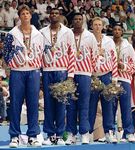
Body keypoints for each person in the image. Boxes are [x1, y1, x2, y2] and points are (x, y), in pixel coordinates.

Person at [3, 4, 43, 148]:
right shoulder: (12, 34)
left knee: (33, 104)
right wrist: (12, 66)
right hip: (17, 72)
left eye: (27, 13)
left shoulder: (38, 34)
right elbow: (5, 53)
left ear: (31, 16)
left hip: (33, 71)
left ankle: (33, 135)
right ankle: (14, 136)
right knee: (15, 104)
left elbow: (42, 53)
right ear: (19, 17)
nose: (25, 16)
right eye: (23, 14)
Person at [40, 7, 76, 145]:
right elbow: (39, 53)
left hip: (62, 70)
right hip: (47, 70)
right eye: (52, 13)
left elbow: (72, 53)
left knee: (61, 103)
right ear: (49, 16)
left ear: (60, 15)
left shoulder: (68, 32)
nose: (54, 15)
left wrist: (71, 74)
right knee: (48, 104)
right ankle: (50, 135)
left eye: (57, 13)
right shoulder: (42, 32)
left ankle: (60, 134)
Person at [65, 13, 97, 145]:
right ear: (72, 21)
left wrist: (89, 70)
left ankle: (84, 133)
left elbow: (94, 55)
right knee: (70, 105)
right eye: (75, 19)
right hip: (70, 74)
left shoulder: (90, 36)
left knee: (84, 104)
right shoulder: (67, 35)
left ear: (83, 21)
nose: (78, 21)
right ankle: (71, 134)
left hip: (84, 74)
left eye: (80, 19)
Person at [88, 17, 118, 143]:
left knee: (108, 105)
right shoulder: (87, 40)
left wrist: (114, 78)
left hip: (106, 75)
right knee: (91, 106)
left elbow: (114, 59)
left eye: (100, 25)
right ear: (92, 26)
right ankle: (88, 133)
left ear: (103, 26)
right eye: (95, 24)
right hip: (92, 75)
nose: (97, 27)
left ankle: (109, 132)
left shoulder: (109, 41)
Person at [112, 23, 135, 142]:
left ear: (122, 32)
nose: (117, 31)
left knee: (126, 107)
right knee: (111, 107)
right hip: (112, 80)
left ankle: (129, 132)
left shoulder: (128, 46)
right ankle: (111, 132)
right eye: (115, 29)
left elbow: (134, 66)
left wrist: (124, 66)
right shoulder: (108, 44)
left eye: (119, 30)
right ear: (112, 31)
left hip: (125, 79)